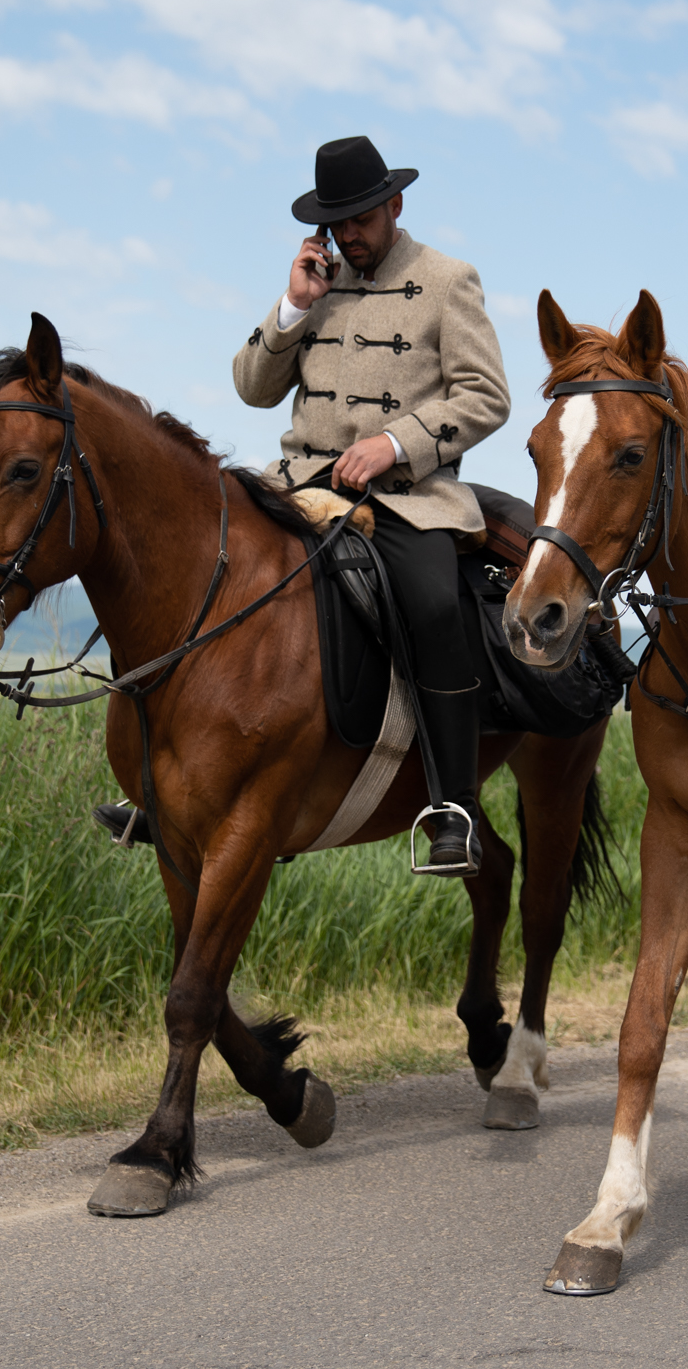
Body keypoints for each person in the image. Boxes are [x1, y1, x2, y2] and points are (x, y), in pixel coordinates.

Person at [231, 135, 512, 874]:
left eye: (359, 217)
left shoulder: (449, 280)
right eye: (336, 221)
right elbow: (253, 389)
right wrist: (292, 307)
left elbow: (487, 397)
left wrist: (397, 444)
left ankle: (455, 805)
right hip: (297, 484)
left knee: (433, 603)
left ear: (393, 205)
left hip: (407, 495)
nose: (348, 234)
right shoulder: (314, 286)